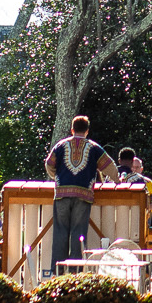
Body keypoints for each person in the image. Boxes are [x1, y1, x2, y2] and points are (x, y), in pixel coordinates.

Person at [44, 115, 116, 268]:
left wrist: (56, 177)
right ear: (87, 131)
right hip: (84, 195)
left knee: (60, 231)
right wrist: (118, 181)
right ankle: (75, 271)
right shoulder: (94, 148)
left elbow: (49, 164)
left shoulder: (60, 146)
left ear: (72, 130)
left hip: (62, 194)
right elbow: (110, 167)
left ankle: (58, 270)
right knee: (78, 233)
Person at [116, 147, 152, 216]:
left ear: (119, 161)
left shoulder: (108, 178)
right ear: (132, 161)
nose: (135, 169)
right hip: (134, 218)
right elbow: (145, 201)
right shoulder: (140, 180)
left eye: (137, 167)